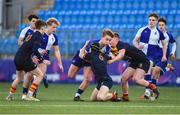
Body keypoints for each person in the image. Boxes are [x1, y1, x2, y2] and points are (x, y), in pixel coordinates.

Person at [22, 18, 64, 99]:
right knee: (29, 75)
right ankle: (24, 94)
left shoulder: (54, 37)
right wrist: (33, 56)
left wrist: (60, 63)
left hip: (44, 58)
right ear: (47, 26)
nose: (55, 29)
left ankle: (32, 94)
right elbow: (29, 45)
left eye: (56, 28)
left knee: (38, 75)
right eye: (53, 27)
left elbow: (56, 51)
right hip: (33, 55)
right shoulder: (38, 33)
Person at [110, 32, 159, 101]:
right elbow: (120, 57)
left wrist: (112, 60)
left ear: (116, 39)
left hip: (143, 61)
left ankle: (153, 87)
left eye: (110, 39)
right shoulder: (116, 48)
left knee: (136, 79)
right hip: (135, 62)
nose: (109, 42)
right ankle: (125, 97)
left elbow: (121, 55)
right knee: (123, 79)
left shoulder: (120, 44)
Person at [6, 20, 48, 101]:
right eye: (45, 28)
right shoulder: (38, 36)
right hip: (25, 58)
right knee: (40, 75)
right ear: (42, 28)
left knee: (18, 78)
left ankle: (10, 95)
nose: (45, 30)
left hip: (17, 57)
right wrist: (41, 58)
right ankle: (29, 95)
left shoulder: (31, 34)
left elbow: (28, 46)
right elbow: (35, 49)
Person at [68, 29, 114, 101]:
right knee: (70, 76)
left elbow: (106, 58)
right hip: (81, 56)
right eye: (107, 39)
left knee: (88, 78)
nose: (108, 42)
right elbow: (82, 55)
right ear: (102, 37)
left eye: (110, 40)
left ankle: (77, 95)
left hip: (90, 60)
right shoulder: (92, 43)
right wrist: (85, 45)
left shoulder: (107, 48)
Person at [133, 13, 167, 99]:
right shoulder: (142, 29)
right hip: (140, 55)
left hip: (151, 56)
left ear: (156, 22)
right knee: (138, 77)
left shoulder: (159, 33)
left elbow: (164, 45)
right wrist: (137, 46)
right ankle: (151, 89)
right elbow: (134, 41)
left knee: (148, 70)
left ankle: (147, 92)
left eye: (153, 20)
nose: (151, 21)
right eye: (150, 20)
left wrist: (164, 55)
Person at [141, 17, 177, 99]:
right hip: (154, 56)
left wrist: (172, 52)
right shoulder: (155, 33)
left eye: (162, 25)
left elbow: (174, 43)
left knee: (155, 71)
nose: (161, 26)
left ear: (165, 26)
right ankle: (153, 91)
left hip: (163, 57)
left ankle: (148, 91)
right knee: (153, 74)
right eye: (159, 25)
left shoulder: (168, 35)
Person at [79, 35, 120, 102]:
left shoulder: (91, 55)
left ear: (92, 49)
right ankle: (109, 95)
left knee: (100, 98)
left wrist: (85, 45)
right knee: (93, 99)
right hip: (101, 81)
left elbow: (80, 55)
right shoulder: (102, 54)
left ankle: (113, 95)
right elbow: (112, 57)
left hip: (106, 81)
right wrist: (109, 54)